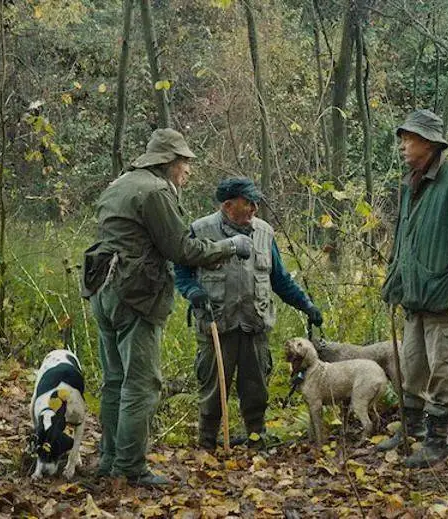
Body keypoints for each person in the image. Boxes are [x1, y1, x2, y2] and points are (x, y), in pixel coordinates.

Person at [81, 129, 254, 487]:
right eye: (184, 163)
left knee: (114, 380)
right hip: (135, 294)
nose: (188, 171)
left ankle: (110, 460)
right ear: (168, 162)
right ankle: (130, 468)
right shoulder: (156, 191)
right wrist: (230, 247)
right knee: (141, 384)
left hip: (103, 290)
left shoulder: (121, 183)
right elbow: (182, 250)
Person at [174, 177, 323, 450]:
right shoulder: (200, 230)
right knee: (212, 391)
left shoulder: (265, 232)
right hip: (216, 325)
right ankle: (207, 444)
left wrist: (306, 305)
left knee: (256, 391)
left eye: (256, 202)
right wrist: (193, 292)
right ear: (228, 205)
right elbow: (181, 273)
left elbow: (280, 279)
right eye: (248, 202)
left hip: (255, 324)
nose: (255, 207)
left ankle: (257, 441)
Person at [376, 109, 448, 468]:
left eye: (409, 139)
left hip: (444, 299)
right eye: (404, 138)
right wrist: (395, 284)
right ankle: (412, 431)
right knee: (412, 368)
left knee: (444, 370)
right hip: (416, 297)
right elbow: (404, 240)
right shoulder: (412, 181)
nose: (403, 146)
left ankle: (439, 442)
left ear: (428, 143)